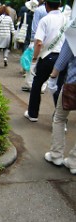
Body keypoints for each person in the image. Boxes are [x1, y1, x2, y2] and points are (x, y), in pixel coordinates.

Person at [24, 0, 66, 122]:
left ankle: (33, 114)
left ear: (46, 5)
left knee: (37, 83)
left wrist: (34, 60)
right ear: (59, 5)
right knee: (59, 87)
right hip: (63, 57)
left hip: (47, 57)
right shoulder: (66, 19)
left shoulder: (45, 20)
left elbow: (38, 43)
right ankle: (60, 118)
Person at [44, 40, 76, 174]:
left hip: (73, 83)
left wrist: (52, 77)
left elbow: (63, 58)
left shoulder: (74, 29)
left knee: (59, 117)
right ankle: (74, 162)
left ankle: (56, 155)